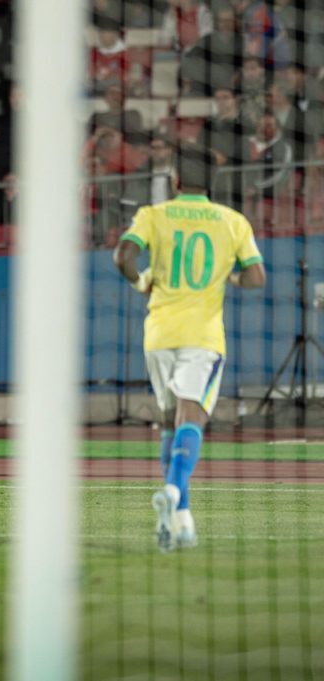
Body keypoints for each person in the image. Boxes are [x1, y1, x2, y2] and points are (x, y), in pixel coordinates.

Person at [113, 148, 266, 551]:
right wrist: (230, 280)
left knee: (169, 423)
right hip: (202, 335)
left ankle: (181, 522)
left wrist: (141, 280)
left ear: (175, 180)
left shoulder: (154, 214)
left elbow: (122, 256)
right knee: (191, 417)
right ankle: (175, 491)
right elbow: (256, 277)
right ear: (211, 184)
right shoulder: (233, 222)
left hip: (159, 333)